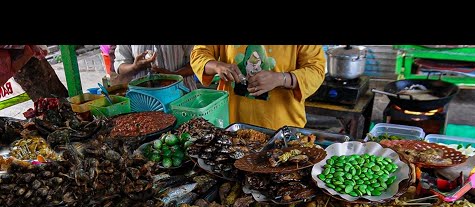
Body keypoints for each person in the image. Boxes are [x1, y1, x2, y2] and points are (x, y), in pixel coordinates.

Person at [190, 45, 326, 129]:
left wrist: (281, 78)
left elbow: (316, 70)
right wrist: (216, 66)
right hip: (231, 125)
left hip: (281, 129)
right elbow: (199, 55)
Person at [113, 45, 197, 90]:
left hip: (181, 95)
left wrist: (174, 75)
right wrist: (135, 67)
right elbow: (120, 65)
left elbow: (198, 62)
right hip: (144, 100)